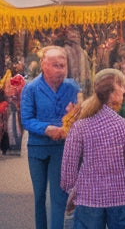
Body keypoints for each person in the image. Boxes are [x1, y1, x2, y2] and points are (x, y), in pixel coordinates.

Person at [60, 69, 125, 229]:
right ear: (113, 94)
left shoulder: (79, 127)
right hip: (123, 201)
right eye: (122, 86)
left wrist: (77, 190)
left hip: (88, 200)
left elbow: (67, 178)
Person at [21, 45, 81, 229]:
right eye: (55, 65)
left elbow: (81, 115)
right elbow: (26, 119)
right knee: (39, 196)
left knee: (59, 195)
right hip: (37, 148)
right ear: (43, 66)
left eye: (63, 65)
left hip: (62, 148)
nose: (60, 70)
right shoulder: (31, 88)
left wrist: (75, 114)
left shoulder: (72, 87)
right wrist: (46, 129)